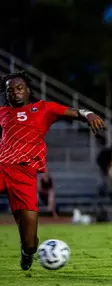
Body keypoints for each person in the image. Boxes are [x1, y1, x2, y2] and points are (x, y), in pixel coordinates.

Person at [0, 71, 104, 270]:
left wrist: (88, 114)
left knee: (30, 243)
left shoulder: (44, 108)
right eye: (10, 90)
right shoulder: (2, 113)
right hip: (2, 167)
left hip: (25, 175)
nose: (15, 92)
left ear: (28, 90)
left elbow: (75, 112)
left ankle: (27, 253)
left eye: (19, 88)